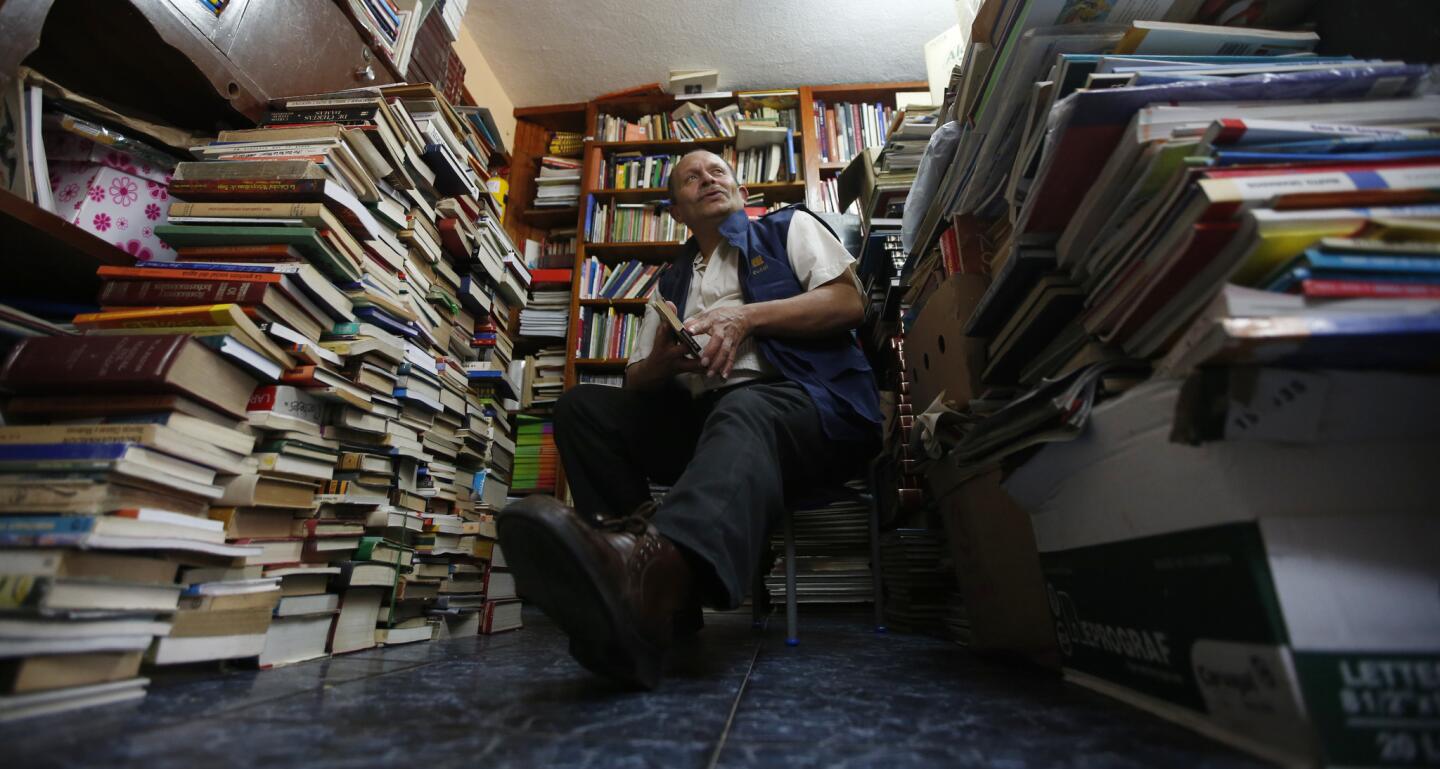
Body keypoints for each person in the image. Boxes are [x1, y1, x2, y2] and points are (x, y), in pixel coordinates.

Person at [498, 149, 882, 688]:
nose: (708, 179)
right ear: (675, 210)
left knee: (744, 406)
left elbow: (848, 304)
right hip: (708, 425)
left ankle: (654, 581)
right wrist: (660, 365)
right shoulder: (669, 284)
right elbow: (635, 380)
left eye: (718, 171)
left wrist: (747, 317)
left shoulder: (787, 227)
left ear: (741, 193)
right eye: (691, 178)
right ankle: (646, 588)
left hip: (810, 406)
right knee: (581, 408)